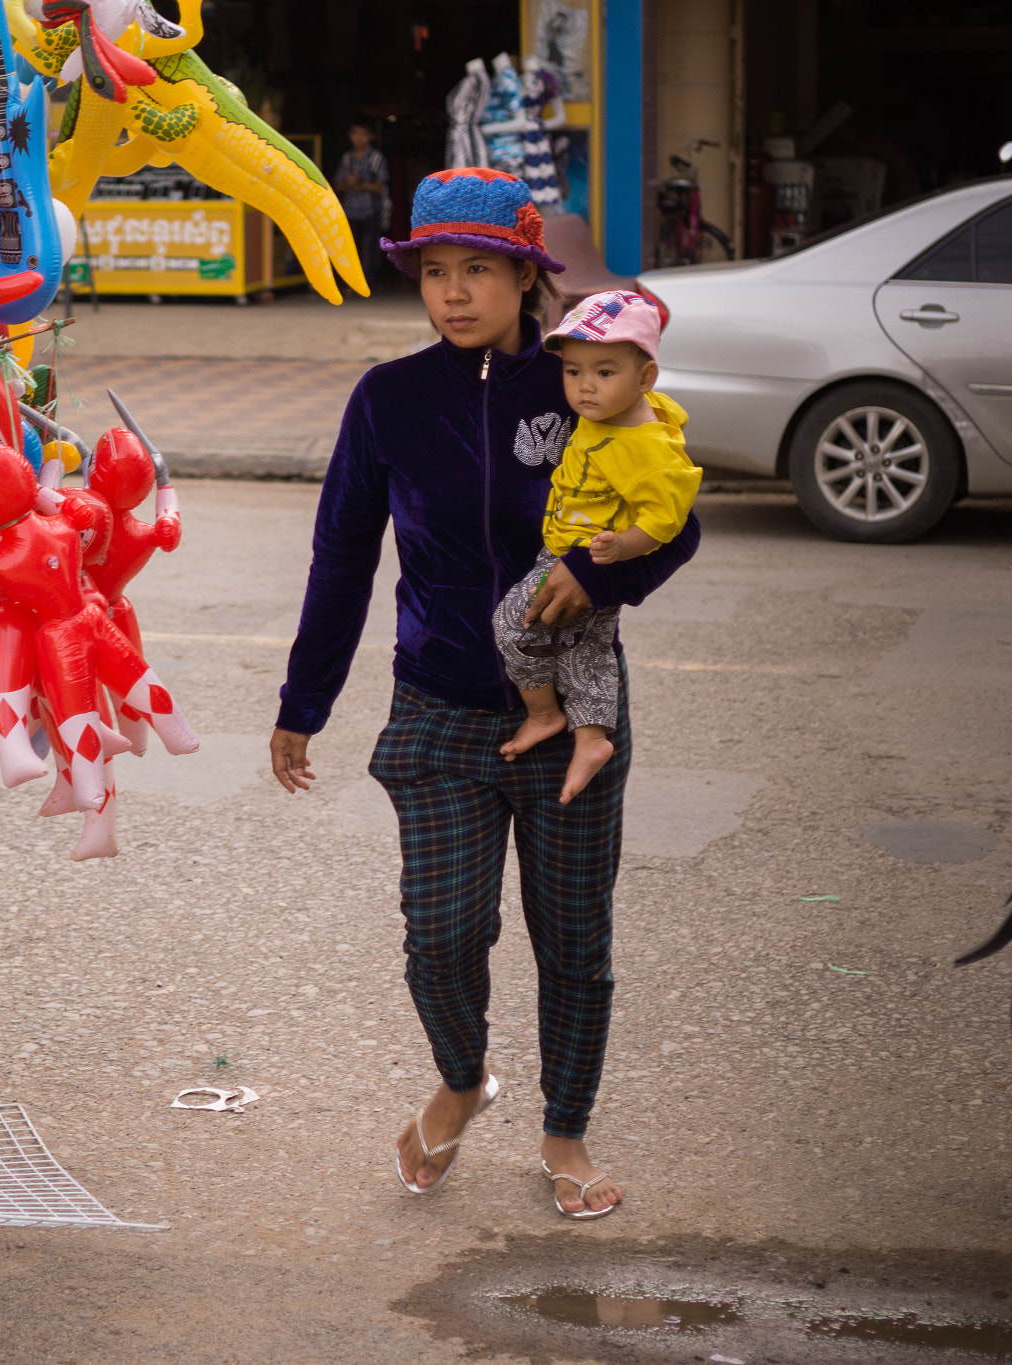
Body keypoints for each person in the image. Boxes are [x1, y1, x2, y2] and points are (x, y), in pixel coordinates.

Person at [269, 169, 699, 1220]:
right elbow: (339, 557)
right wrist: (302, 701)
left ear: (522, 275)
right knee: (440, 932)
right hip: (433, 707)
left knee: (572, 940)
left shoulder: (579, 383)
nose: (452, 293)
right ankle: (461, 1081)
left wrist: (599, 574)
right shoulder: (388, 399)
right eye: (432, 272)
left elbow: (673, 514)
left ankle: (565, 1131)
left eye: (475, 270)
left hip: (567, 710)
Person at [494, 290, 701, 803]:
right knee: (583, 648)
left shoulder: (645, 445)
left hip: (583, 556)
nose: (585, 387)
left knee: (512, 625)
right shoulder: (615, 411)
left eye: (604, 373)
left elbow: (669, 519)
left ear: (645, 378)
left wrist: (614, 554)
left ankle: (544, 714)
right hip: (571, 548)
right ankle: (591, 738)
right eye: (573, 372)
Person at [333, 122, 391, 289]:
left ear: (370, 137)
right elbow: (338, 184)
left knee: (369, 248)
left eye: (363, 134)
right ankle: (350, 282)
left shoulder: (376, 158)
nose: (358, 138)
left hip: (370, 210)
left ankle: (366, 284)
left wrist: (361, 184)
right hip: (350, 209)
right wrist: (350, 184)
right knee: (350, 248)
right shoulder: (347, 159)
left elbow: (380, 186)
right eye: (355, 133)